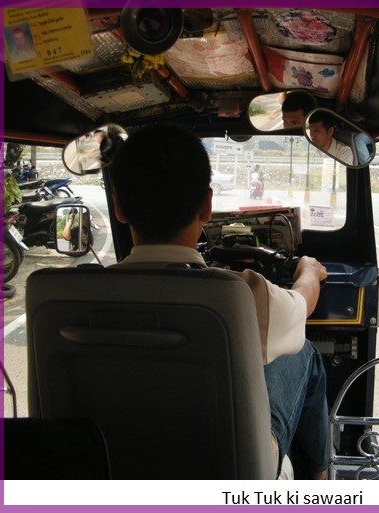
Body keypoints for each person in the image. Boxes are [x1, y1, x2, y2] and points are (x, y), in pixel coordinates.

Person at [110, 124, 329, 480]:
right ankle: (320, 482)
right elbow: (303, 303)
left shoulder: (66, 293)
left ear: (119, 207)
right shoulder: (239, 294)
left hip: (112, 465)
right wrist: (309, 270)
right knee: (302, 350)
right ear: (206, 205)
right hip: (230, 470)